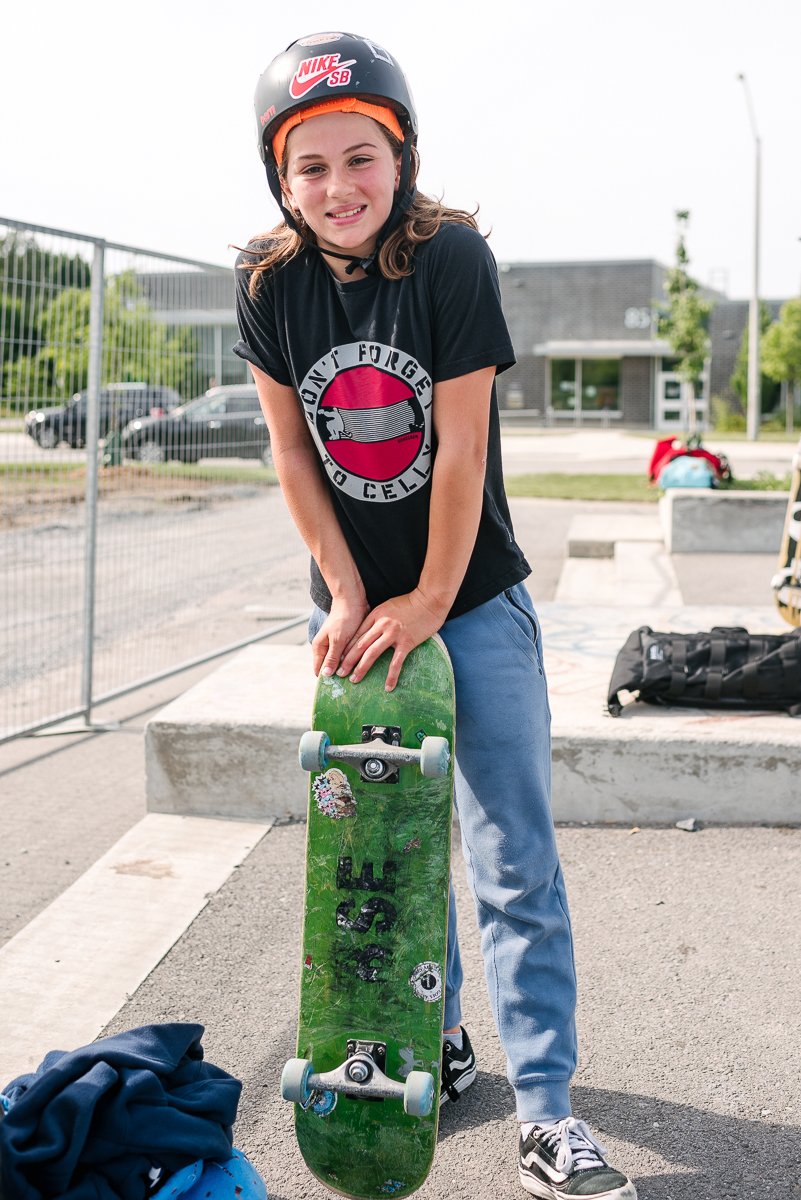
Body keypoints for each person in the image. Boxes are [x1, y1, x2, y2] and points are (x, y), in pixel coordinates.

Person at [234, 32, 637, 1200]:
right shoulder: (270, 286)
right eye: (310, 167)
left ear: (401, 159)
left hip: (470, 603)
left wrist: (424, 597)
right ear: (280, 180)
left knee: (511, 855)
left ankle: (548, 1109)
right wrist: (351, 591)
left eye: (361, 157)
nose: (338, 187)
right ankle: (432, 1040)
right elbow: (293, 454)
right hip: (363, 617)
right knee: (393, 847)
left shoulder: (452, 262)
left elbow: (460, 454)